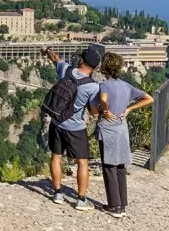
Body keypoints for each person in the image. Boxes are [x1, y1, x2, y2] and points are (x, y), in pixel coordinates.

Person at [90, 52, 154, 219]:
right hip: (122, 127)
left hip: (108, 127)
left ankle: (114, 206)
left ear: (105, 67)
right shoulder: (126, 86)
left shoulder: (104, 86)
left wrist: (105, 109)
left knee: (109, 166)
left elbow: (103, 99)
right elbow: (149, 98)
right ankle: (122, 204)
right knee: (120, 166)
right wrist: (130, 109)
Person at [43, 46, 102, 211]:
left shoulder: (66, 70)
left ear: (81, 60)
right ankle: (81, 199)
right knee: (82, 162)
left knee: (56, 158)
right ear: (95, 67)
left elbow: (55, 58)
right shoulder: (93, 86)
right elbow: (93, 111)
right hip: (75, 128)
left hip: (56, 122)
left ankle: (57, 193)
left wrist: (47, 51)